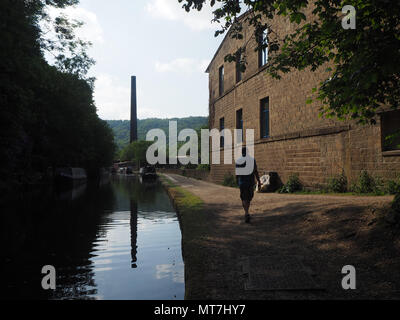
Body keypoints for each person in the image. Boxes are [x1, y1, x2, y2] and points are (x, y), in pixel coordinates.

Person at [235, 146, 261, 223]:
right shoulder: (252, 160)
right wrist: (258, 181)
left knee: (244, 198)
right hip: (250, 182)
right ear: (248, 152)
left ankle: (246, 212)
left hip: (242, 183)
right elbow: (255, 171)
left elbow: (237, 173)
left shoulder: (238, 160)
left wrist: (237, 181)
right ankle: (247, 212)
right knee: (248, 198)